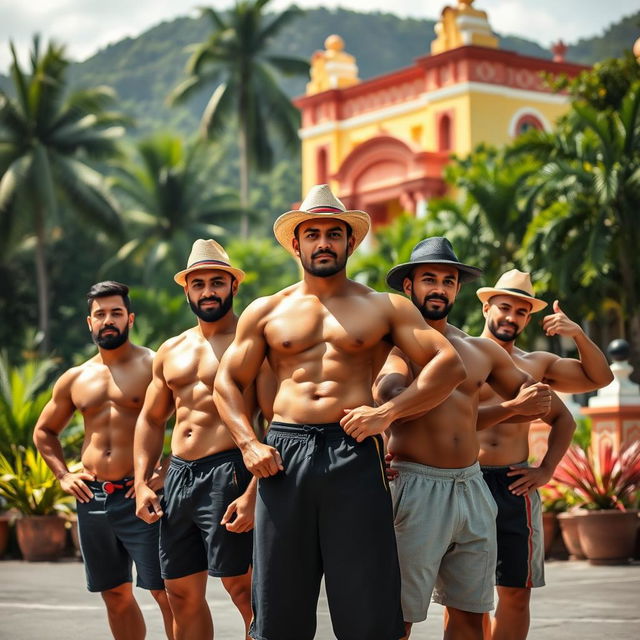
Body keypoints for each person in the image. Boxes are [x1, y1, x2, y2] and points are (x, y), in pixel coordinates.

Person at [213, 185, 466, 640]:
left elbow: (448, 365)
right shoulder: (267, 311)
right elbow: (226, 382)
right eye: (313, 234)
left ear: (351, 243)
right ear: (297, 243)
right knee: (278, 600)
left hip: (352, 450)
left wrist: (387, 413)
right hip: (283, 457)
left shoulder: (384, 306)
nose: (324, 242)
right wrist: (249, 444)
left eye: (334, 233)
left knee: (366, 601)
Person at [375, 238, 556, 640]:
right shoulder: (394, 347)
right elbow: (387, 399)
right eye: (429, 280)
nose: (439, 288)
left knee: (470, 613)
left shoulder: (480, 351)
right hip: (416, 485)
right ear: (409, 287)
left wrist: (527, 401)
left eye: (447, 281)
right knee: (398, 615)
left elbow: (537, 398)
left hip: (472, 487)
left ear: (457, 290)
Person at [476, 269, 613, 640]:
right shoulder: (462, 353)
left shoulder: (535, 363)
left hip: (514, 483)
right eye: (504, 307)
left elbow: (598, 380)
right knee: (466, 598)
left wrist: (546, 470)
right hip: (465, 480)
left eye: (521, 312)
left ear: (529, 318)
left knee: (516, 593)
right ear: (487, 306)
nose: (511, 317)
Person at [33, 281, 173, 640]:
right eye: (100, 314)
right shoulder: (75, 378)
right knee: (114, 592)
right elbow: (44, 432)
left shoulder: (153, 364)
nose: (108, 320)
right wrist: (63, 475)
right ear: (89, 322)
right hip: (92, 497)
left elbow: (195, 416)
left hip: (140, 495)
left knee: (166, 591)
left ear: (130, 318)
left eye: (116, 313)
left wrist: (167, 469)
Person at [134, 239, 257, 640]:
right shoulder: (171, 350)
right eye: (199, 283)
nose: (208, 291)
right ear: (186, 289)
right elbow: (152, 420)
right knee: (179, 591)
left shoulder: (253, 340)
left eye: (217, 282)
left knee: (244, 588)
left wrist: (255, 490)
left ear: (233, 287)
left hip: (231, 471)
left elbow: (278, 417)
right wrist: (140, 484)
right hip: (181, 476)